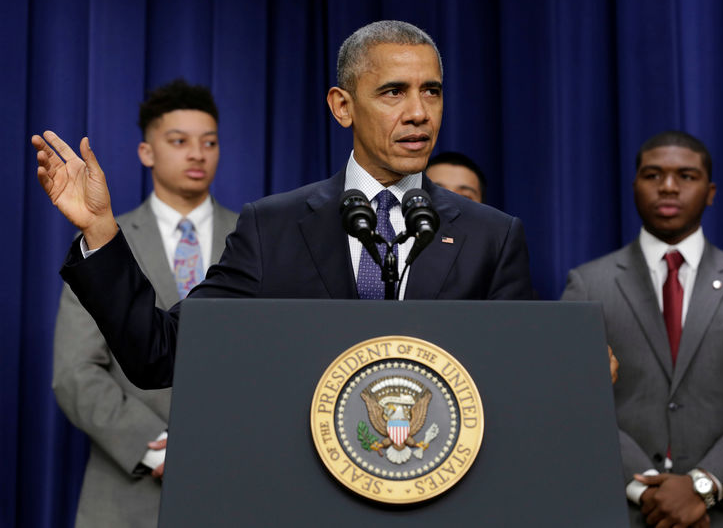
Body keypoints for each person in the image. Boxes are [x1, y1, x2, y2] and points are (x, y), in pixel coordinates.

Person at [32, 20, 533, 390]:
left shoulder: (491, 235)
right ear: (342, 106)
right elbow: (158, 354)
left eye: (432, 91)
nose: (419, 112)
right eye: (393, 92)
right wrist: (99, 228)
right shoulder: (274, 228)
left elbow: (518, 387)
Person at [561, 130, 723, 527]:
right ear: (634, 185)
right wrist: (649, 491)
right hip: (622, 507)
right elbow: (570, 395)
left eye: (686, 176)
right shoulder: (587, 285)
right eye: (653, 175)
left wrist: (701, 488)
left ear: (711, 191)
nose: (668, 187)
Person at [51, 80, 238, 527]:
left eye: (208, 142)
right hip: (126, 494)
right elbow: (75, 372)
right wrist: (158, 447)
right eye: (179, 142)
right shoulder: (102, 241)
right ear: (146, 152)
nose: (197, 154)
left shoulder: (252, 239)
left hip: (235, 482)